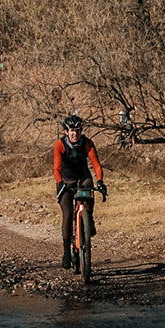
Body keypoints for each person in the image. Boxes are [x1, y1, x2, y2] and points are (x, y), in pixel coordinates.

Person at [53, 114, 106, 269]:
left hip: (83, 178)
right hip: (66, 180)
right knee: (68, 215)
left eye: (77, 130)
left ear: (81, 130)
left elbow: (95, 164)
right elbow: (56, 168)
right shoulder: (60, 144)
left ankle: (89, 218)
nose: (74, 134)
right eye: (71, 131)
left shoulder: (87, 143)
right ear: (66, 131)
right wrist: (60, 183)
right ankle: (66, 252)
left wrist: (100, 181)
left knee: (89, 191)